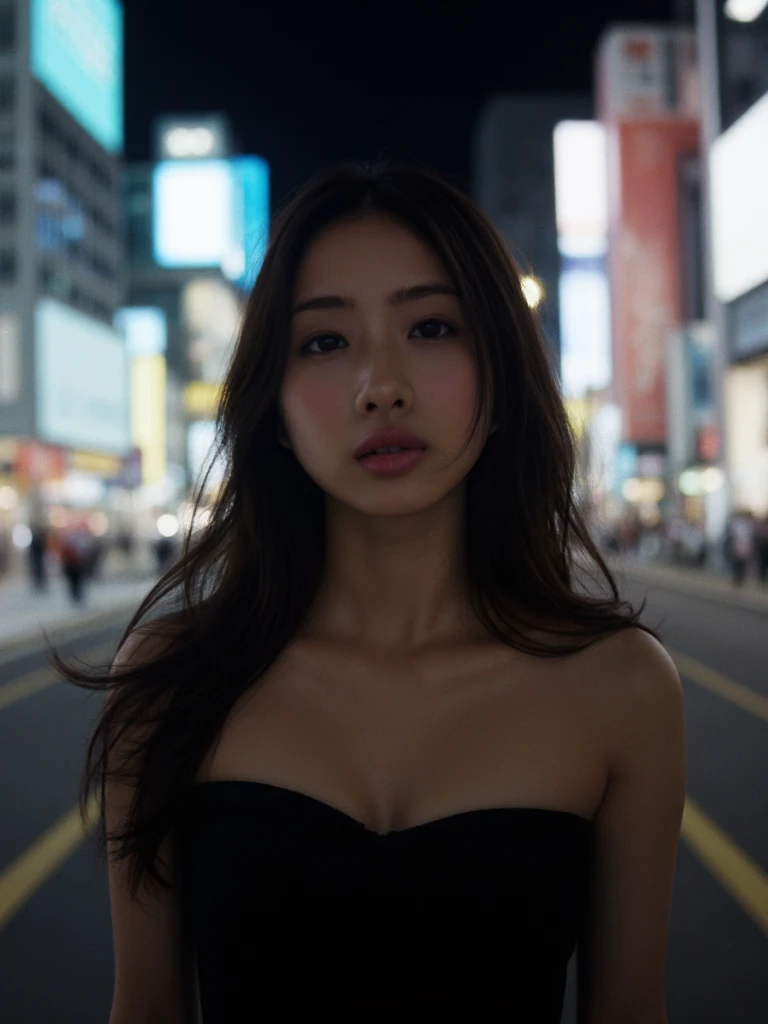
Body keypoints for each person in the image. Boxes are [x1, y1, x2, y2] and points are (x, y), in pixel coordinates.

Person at [55, 161, 686, 1021]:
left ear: (501, 376)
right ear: (272, 409)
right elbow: (146, 1009)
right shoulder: (170, 680)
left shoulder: (622, 687)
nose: (381, 386)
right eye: (324, 342)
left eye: (431, 328)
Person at [58, 521, 95, 603]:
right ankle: (75, 594)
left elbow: (86, 550)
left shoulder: (82, 538)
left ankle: (78, 595)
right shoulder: (68, 538)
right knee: (73, 580)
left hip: (78, 563)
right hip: (71, 563)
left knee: (79, 579)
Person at [726, 509, 755, 586]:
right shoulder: (737, 523)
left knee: (742, 563)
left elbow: (750, 536)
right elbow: (733, 535)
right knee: (737, 563)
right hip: (737, 545)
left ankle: (740, 579)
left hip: (744, 546)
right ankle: (737, 578)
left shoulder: (747, 524)